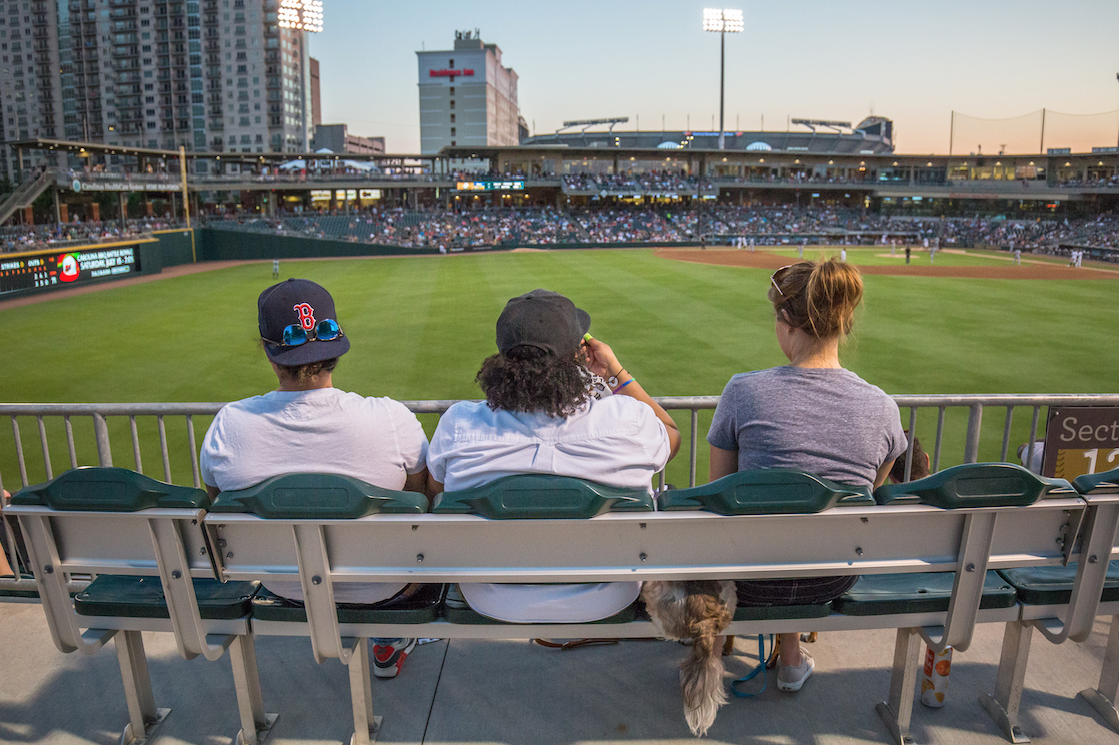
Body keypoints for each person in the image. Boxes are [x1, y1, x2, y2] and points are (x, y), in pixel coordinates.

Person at [199, 278, 432, 679]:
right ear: (334, 350)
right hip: (387, 590)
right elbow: (422, 503)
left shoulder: (229, 426)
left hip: (285, 589)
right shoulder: (392, 418)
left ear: (268, 351)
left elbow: (222, 507)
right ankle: (389, 637)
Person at [707, 258, 907, 693]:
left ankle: (724, 644)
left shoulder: (743, 391)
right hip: (833, 574)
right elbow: (860, 500)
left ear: (786, 322)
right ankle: (792, 658)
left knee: (764, 535)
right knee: (805, 529)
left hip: (750, 579)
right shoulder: (882, 409)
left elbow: (715, 502)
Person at [426, 289, 680, 624]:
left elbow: (435, 491)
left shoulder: (459, 424)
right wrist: (615, 372)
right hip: (609, 594)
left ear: (502, 360)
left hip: (488, 595)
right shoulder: (627, 419)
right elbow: (670, 432)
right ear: (577, 356)